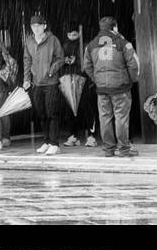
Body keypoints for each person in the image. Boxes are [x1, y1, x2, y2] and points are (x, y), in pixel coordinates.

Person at [83, 16, 140, 157]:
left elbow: (87, 66)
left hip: (102, 88)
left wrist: (96, 79)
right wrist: (132, 80)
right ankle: (124, 149)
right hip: (120, 87)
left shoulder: (91, 45)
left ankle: (108, 149)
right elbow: (134, 64)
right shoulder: (123, 43)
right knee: (121, 117)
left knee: (105, 118)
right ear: (115, 27)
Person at [22, 13, 65, 155]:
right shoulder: (29, 41)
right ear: (31, 27)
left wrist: (51, 71)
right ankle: (46, 141)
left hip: (50, 82)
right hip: (36, 83)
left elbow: (60, 58)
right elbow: (27, 60)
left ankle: (54, 143)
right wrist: (27, 79)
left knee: (52, 112)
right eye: (33, 26)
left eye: (39, 26)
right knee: (41, 114)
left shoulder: (53, 40)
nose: (36, 28)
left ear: (44, 26)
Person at [60, 27, 97, 147]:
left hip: (85, 81)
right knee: (71, 110)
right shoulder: (64, 45)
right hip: (68, 80)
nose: (72, 34)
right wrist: (64, 61)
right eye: (70, 32)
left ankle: (92, 137)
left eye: (75, 32)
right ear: (67, 33)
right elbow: (58, 61)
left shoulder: (86, 45)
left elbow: (90, 62)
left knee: (87, 109)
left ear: (80, 32)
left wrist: (78, 61)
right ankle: (73, 136)